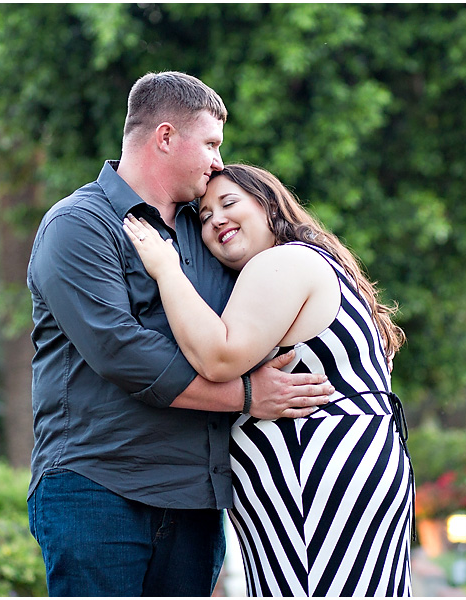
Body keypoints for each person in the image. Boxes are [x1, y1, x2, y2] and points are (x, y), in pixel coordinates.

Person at [26, 72, 335, 597]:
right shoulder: (79, 226)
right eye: (210, 143)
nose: (218, 161)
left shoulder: (211, 230)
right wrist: (244, 396)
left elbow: (259, 314)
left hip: (195, 502)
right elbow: (122, 352)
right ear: (165, 137)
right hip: (98, 491)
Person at [124, 163, 414, 597]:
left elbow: (218, 358)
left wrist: (166, 270)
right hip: (337, 476)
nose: (215, 219)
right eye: (204, 217)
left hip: (313, 484)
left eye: (228, 203)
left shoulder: (281, 262)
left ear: (268, 205)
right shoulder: (314, 262)